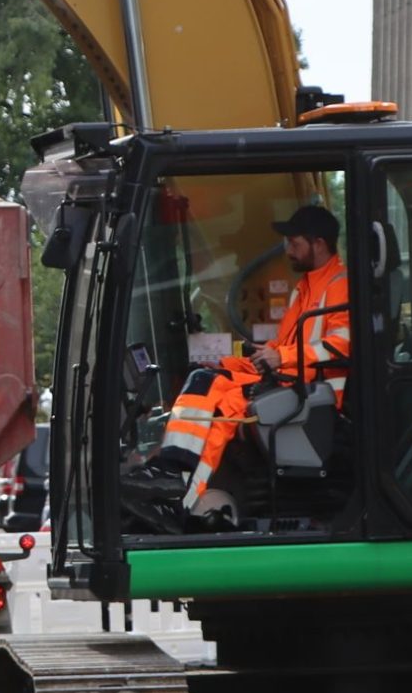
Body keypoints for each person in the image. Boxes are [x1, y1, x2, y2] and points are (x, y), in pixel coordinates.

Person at [150, 202, 351, 515]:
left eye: (294, 243)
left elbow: (342, 346)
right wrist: (241, 357)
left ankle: (181, 493)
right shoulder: (306, 286)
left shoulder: (340, 285)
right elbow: (286, 344)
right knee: (204, 376)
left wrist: (279, 355)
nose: (287, 250)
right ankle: (171, 473)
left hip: (314, 394)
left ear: (319, 244)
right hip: (290, 379)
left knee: (224, 406)